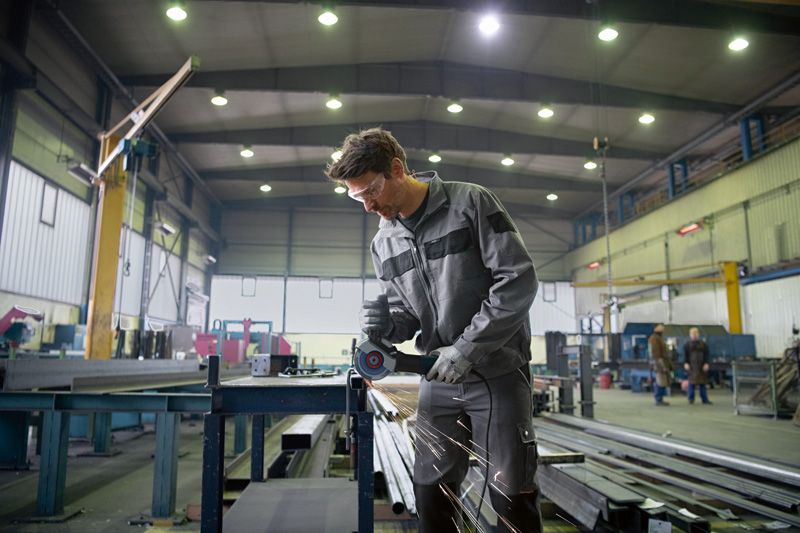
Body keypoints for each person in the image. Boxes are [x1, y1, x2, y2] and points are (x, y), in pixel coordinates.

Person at [326, 128, 542, 533]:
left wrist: (465, 350)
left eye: (371, 190)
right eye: (358, 197)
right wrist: (383, 326)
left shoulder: (470, 203)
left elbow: (517, 280)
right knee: (432, 491)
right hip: (437, 378)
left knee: (511, 493)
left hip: (496, 373)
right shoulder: (384, 242)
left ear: (396, 169)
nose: (368, 205)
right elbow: (406, 315)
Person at [683, 327, 712, 404]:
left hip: (701, 366)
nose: (694, 335)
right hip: (691, 366)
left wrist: (706, 363)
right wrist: (686, 363)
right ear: (690, 335)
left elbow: (707, 355)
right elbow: (685, 356)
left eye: (696, 333)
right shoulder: (687, 345)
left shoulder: (703, 344)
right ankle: (691, 399)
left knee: (702, 383)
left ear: (698, 334)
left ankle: (704, 399)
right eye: (692, 333)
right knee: (691, 383)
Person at [649, 324, 673, 405]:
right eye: (660, 326)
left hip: (661, 362)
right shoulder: (654, 338)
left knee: (662, 381)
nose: (663, 328)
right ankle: (658, 399)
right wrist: (660, 364)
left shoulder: (659, 338)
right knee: (660, 381)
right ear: (656, 328)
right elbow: (656, 353)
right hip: (659, 362)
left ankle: (660, 398)